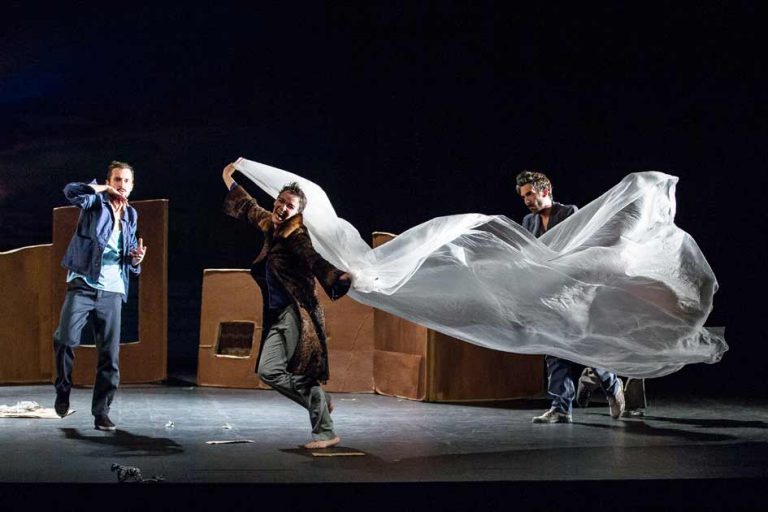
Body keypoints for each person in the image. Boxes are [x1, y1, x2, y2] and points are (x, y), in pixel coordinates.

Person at [222, 162, 351, 449]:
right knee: (270, 371)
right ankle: (322, 403)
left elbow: (313, 260)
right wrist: (228, 177)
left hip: (298, 312)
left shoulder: (296, 235)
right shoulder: (272, 226)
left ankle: (325, 432)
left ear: (297, 213)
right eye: (280, 201)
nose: (282, 207)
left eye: (289, 206)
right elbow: (248, 207)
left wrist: (337, 277)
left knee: (293, 372)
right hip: (280, 314)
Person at [516, 170, 625, 423]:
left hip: (574, 294)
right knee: (554, 350)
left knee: (585, 346)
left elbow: (580, 251)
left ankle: (612, 384)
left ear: (545, 190)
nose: (527, 200)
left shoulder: (569, 213)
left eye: (530, 194)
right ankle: (561, 407)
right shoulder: (528, 222)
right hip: (548, 296)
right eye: (523, 197)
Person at [53, 161, 146, 431]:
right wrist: (103, 189)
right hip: (83, 282)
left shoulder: (131, 215)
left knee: (109, 356)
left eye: (126, 181)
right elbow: (70, 191)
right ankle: (63, 389)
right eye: (117, 179)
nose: (122, 185)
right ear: (109, 181)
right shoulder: (95, 202)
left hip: (113, 289)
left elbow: (130, 255)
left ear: (132, 186)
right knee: (65, 339)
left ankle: (101, 412)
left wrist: (136, 259)